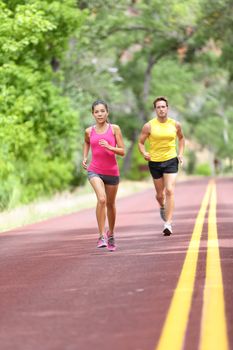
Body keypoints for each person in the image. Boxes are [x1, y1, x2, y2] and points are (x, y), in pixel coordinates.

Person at [138, 96, 185, 236]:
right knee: (160, 194)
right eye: (158, 107)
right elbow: (140, 142)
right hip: (155, 162)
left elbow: (181, 138)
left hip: (171, 160)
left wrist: (180, 153)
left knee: (169, 190)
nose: (161, 109)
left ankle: (168, 223)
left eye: (163, 106)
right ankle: (163, 206)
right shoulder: (149, 126)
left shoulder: (175, 124)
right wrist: (144, 152)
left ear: (167, 108)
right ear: (155, 110)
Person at [82, 100, 125, 251]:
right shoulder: (89, 131)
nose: (99, 114)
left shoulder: (114, 129)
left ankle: (111, 234)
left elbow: (122, 151)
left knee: (111, 204)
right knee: (101, 199)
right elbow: (87, 142)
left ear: (107, 112)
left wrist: (109, 147)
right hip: (95, 170)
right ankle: (101, 236)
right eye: (96, 112)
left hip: (112, 171)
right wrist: (85, 157)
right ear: (92, 114)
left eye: (102, 111)